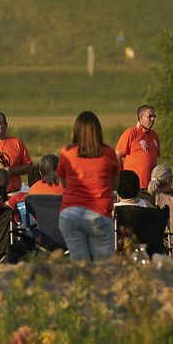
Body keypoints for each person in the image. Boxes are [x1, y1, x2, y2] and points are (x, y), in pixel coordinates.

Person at [56, 111, 120, 260]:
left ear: (76, 130)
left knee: (79, 263)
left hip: (70, 212)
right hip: (98, 213)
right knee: (103, 266)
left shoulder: (67, 152)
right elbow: (115, 184)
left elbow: (62, 181)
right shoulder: (108, 153)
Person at [113, 170, 169, 256]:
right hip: (149, 250)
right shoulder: (146, 204)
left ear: (117, 189)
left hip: (124, 250)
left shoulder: (114, 209)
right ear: (138, 189)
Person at [115, 105, 161, 195]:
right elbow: (117, 155)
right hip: (134, 186)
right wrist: (122, 177)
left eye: (154, 116)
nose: (153, 119)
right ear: (141, 117)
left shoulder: (154, 135)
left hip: (151, 186)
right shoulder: (131, 133)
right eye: (150, 116)